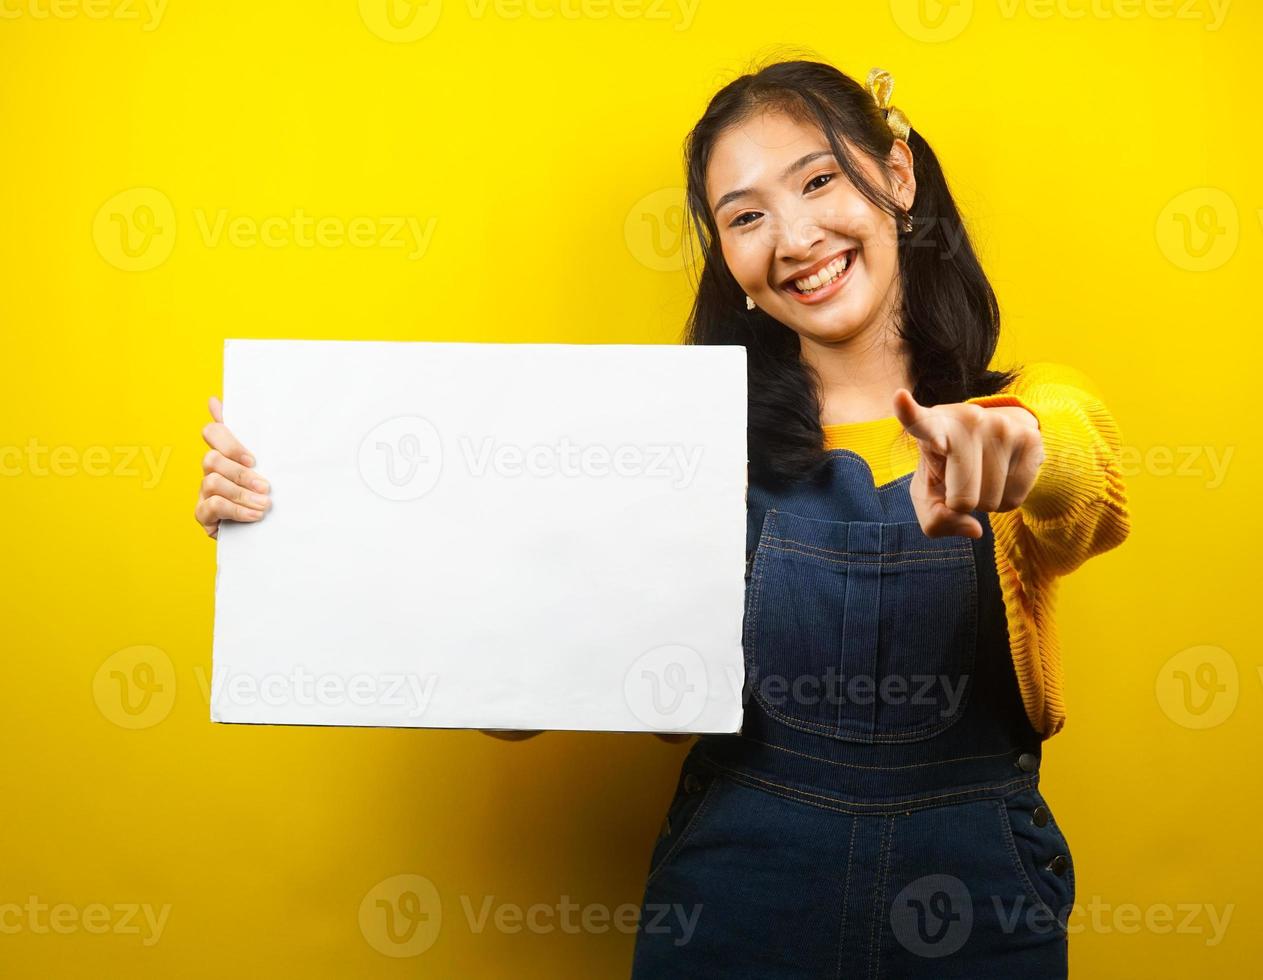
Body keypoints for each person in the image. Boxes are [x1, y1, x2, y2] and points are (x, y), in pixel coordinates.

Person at [193, 59, 1130, 977]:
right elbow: (522, 705)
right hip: (736, 902)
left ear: (896, 174)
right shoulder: (681, 453)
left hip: (975, 905)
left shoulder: (1027, 408)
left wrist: (1013, 451)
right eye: (746, 215)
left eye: (818, 180)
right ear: (727, 256)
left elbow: (1079, 475)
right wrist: (300, 518)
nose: (794, 236)